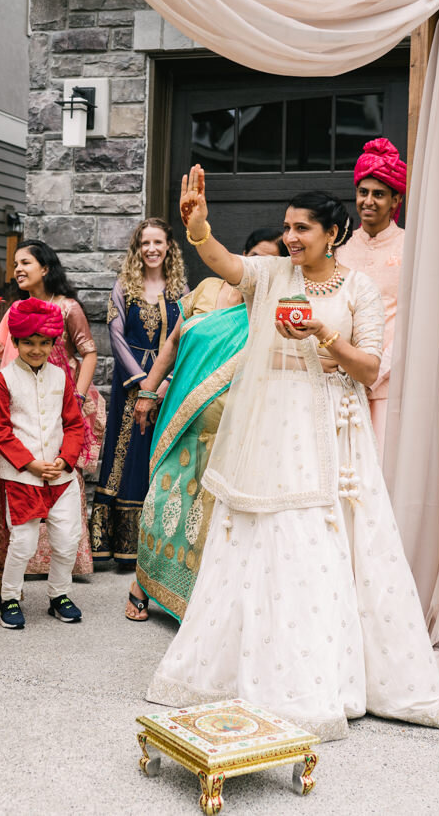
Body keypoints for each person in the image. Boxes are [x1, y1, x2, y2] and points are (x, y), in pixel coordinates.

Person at [146, 165, 439, 742]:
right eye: (287, 228)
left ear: (331, 234)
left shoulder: (357, 288)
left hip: (332, 427)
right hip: (271, 423)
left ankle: (319, 674)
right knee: (257, 532)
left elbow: (370, 367)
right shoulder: (273, 273)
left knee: (317, 536)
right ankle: (242, 667)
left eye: (302, 228)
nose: (291, 238)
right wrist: (199, 226)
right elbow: (228, 266)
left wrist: (323, 336)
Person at [126, 229, 285, 622]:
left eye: (269, 261)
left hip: (232, 427)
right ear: (241, 257)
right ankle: (141, 582)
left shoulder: (270, 308)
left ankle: (193, 600)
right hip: (182, 414)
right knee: (163, 499)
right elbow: (175, 343)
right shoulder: (208, 289)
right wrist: (148, 391)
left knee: (207, 510)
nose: (258, 267)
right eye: (254, 258)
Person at [0, 240, 100, 580]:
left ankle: (64, 574)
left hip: (61, 397)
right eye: (15, 265)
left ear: (46, 268)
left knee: (62, 481)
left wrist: (79, 399)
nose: (18, 270)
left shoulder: (67, 308)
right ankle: (22, 571)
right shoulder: (16, 311)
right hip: (21, 401)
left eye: (26, 262)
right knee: (24, 486)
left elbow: (89, 353)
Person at [90, 218, 187, 567]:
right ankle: (122, 548)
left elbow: (184, 339)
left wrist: (162, 384)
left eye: (158, 242)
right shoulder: (124, 287)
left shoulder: (181, 292)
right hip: (129, 383)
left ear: (169, 247)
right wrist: (141, 382)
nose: (151, 249)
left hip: (167, 385)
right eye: (145, 243)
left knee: (157, 455)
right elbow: (115, 337)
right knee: (124, 454)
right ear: (137, 249)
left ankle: (154, 544)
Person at [0, 298, 88, 629]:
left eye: (43, 343)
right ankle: (10, 599)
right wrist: (30, 464)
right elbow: (0, 431)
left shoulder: (61, 377)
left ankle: (59, 594)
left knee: (67, 539)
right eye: (28, 342)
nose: (36, 349)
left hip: (61, 475)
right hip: (22, 477)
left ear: (52, 343)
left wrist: (65, 459)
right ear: (15, 342)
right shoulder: (4, 380)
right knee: (23, 543)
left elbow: (74, 424)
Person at [334, 138, 406, 456]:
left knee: (379, 473)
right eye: (363, 192)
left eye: (379, 194)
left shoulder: (411, 247)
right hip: (340, 381)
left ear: (395, 200)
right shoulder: (341, 250)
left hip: (389, 385)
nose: (369, 201)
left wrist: (373, 373)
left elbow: (412, 323)